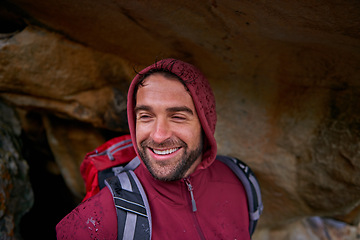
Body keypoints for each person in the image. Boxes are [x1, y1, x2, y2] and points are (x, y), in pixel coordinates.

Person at [56, 58, 250, 239]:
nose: (158, 136)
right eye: (146, 116)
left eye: (177, 117)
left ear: (205, 126)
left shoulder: (242, 183)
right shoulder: (93, 221)